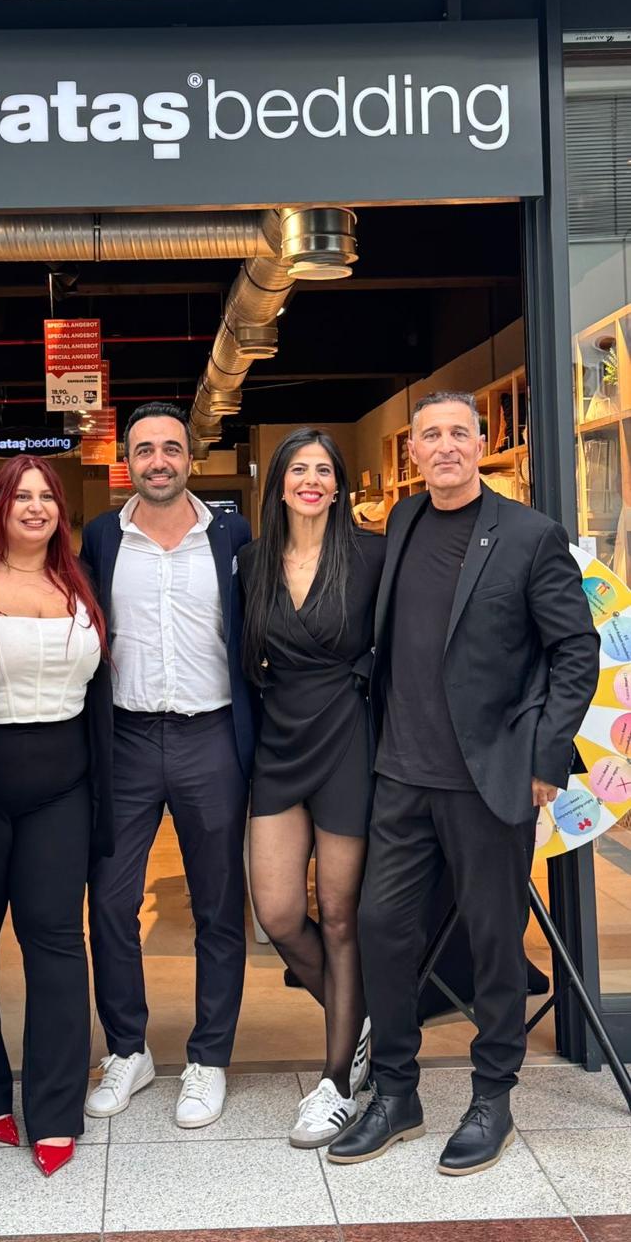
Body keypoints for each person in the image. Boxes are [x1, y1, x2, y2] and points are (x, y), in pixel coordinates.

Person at [328, 391, 600, 1177]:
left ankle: (492, 1097)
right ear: (411, 452)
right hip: (400, 773)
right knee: (381, 927)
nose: (445, 446)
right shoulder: (405, 521)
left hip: (489, 776)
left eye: (458, 433)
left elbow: (574, 650)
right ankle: (396, 1093)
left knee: (493, 940)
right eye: (430, 435)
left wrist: (547, 756)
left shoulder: (530, 535)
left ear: (480, 444)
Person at [82, 402, 259, 1129]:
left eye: (171, 448)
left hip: (211, 735)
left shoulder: (231, 534)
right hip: (124, 738)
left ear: (191, 457)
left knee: (218, 905)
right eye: (144, 449)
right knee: (109, 903)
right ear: (127, 461)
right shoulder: (102, 537)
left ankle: (209, 1058)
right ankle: (128, 1050)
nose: (158, 460)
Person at [0, 455, 112, 1178]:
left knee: (58, 942)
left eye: (47, 497)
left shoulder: (81, 584)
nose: (36, 507)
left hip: (63, 788)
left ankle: (57, 1107)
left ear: (60, 513)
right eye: (22, 496)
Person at [240, 428, 384, 1148]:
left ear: (338, 484)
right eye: (298, 469)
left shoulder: (371, 555)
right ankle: (366, 1025)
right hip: (279, 739)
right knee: (276, 910)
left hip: (347, 736)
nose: (311, 480)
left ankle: (336, 1083)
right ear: (279, 484)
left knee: (338, 915)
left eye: (323, 470)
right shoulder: (252, 562)